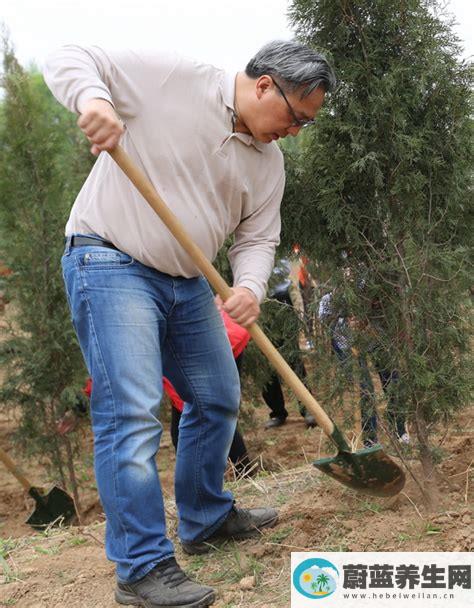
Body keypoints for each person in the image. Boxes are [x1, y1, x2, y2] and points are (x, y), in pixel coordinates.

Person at [44, 40, 335, 608]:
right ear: (264, 85)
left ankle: (204, 517)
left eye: (307, 124)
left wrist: (250, 286)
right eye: (296, 117)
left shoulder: (267, 162)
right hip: (109, 258)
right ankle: (142, 567)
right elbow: (72, 56)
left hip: (186, 281)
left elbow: (257, 238)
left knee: (217, 394)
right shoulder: (174, 78)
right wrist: (93, 99)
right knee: (131, 413)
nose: (296, 131)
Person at [165, 310, 253, 477]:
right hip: (212, 336)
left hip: (225, 338)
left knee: (218, 412)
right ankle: (194, 478)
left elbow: (189, 405)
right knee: (184, 421)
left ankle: (245, 473)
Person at [318, 291, 409, 447]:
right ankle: (370, 440)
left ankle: (399, 429)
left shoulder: (377, 282)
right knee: (364, 388)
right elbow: (324, 315)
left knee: (393, 381)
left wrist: (368, 315)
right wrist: (344, 318)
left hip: (375, 335)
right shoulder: (333, 296)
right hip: (345, 339)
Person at [263, 258, 317, 429]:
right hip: (258, 302)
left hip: (281, 299)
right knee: (265, 364)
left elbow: (283, 270)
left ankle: (308, 409)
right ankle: (277, 412)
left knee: (293, 358)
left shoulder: (271, 237)